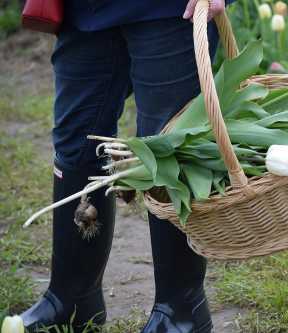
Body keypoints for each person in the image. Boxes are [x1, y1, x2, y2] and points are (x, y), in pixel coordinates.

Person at [11, 0, 230, 332]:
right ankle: (72, 299)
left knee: (167, 145)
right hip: (86, 9)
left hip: (169, 10)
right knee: (76, 141)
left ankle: (180, 313)